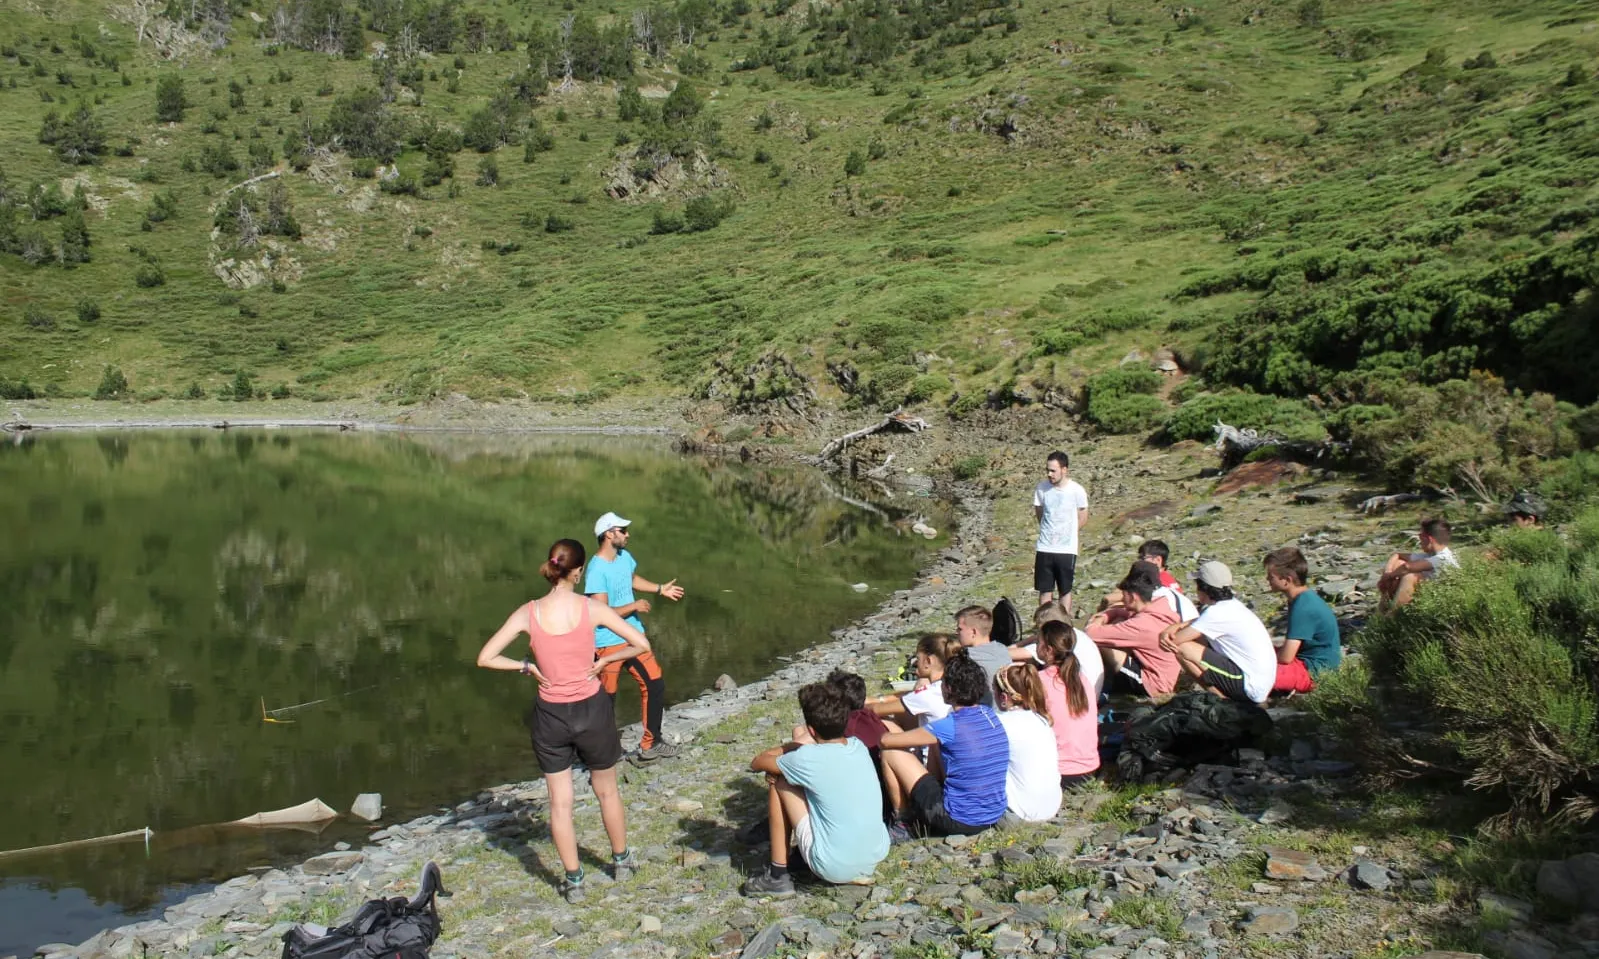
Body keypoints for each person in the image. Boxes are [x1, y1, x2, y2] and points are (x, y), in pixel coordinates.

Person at [475, 538, 651, 904]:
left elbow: (486, 658)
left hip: (550, 716)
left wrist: (526, 666)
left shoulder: (528, 613)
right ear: (578, 571)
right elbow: (641, 644)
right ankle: (620, 861)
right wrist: (603, 662)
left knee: (560, 803)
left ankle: (574, 882)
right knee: (607, 790)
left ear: (552, 569)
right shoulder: (590, 609)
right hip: (591, 709)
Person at [743, 683, 891, 897]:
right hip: (875, 854)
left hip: (834, 866)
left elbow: (758, 763)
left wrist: (792, 746)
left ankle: (777, 875)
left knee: (778, 779)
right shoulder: (857, 746)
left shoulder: (807, 758)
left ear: (811, 730)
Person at [585, 511, 685, 762]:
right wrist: (633, 606)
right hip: (608, 641)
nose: (628, 535)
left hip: (633, 636)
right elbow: (601, 613)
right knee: (605, 698)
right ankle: (600, 752)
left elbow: (631, 579)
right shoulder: (596, 569)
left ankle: (651, 744)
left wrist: (660, 589)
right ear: (609, 534)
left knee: (654, 683)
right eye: (623, 530)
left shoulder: (623, 557)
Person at [878, 656, 1009, 840]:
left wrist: (886, 728)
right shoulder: (989, 714)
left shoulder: (949, 725)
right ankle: (923, 804)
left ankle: (903, 821)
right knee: (937, 745)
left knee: (891, 754)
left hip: (958, 818)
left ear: (948, 688)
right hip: (992, 813)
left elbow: (887, 742)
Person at [1157, 561, 1277, 704]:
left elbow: (1173, 641)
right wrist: (1176, 626)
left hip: (1249, 686)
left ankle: (1223, 702)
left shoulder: (1215, 613)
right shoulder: (1231, 605)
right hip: (1259, 683)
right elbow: (1198, 621)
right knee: (1197, 638)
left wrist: (1166, 632)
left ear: (1204, 588)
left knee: (1183, 648)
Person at [1085, 562, 1183, 698]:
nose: (1121, 598)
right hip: (1163, 672)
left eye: (1123, 595)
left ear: (1132, 597)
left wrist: (1098, 620)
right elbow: (1121, 611)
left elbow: (1091, 634)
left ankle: (1100, 687)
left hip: (1154, 684)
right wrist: (1107, 614)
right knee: (1117, 623)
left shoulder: (1141, 624)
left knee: (1101, 645)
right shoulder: (1158, 608)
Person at [1263, 548, 1342, 695]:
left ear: (1287, 580)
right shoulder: (1303, 598)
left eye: (1271, 576)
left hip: (1316, 671)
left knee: (1252, 671)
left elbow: (1286, 658)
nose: (1268, 580)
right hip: (1311, 663)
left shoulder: (1303, 606)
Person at [1034, 621, 1101, 788]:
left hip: (1059, 772)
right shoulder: (1082, 680)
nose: (1035, 646)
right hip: (1089, 768)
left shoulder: (1039, 681)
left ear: (1048, 650)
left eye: (1037, 642)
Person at [993, 665, 1063, 822]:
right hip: (1052, 804)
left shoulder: (1000, 723)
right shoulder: (1041, 719)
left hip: (1020, 811)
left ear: (1004, 698)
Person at [866, 633, 961, 730]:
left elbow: (875, 710)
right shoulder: (955, 684)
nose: (915, 663)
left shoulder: (928, 693)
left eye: (918, 658)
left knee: (880, 720)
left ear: (928, 661)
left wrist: (860, 704)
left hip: (933, 743)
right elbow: (909, 697)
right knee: (901, 715)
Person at [1033, 450, 1089, 611]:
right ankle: (1044, 624)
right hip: (1045, 547)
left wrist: (1068, 532)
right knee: (1045, 589)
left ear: (1064, 470)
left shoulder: (1076, 490)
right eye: (1048, 470)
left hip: (1066, 549)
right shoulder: (1042, 488)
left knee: (1065, 589)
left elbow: (1083, 517)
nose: (1049, 474)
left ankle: (1064, 623)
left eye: (1053, 470)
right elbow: (1039, 512)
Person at [1013, 602, 1104, 699]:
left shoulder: (1052, 644)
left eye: (1039, 628)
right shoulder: (1075, 635)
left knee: (1020, 666)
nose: (1038, 633)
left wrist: (1020, 643)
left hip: (1079, 697)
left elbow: (1008, 653)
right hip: (1090, 696)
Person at [1377, 518, 1459, 612]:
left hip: (1443, 598)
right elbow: (1397, 555)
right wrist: (1388, 572)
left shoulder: (1444, 558)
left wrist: (1388, 576)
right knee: (1398, 563)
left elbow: (1407, 567)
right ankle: (1382, 613)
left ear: (1429, 539)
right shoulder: (1430, 555)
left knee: (1410, 576)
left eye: (1420, 537)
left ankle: (1393, 616)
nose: (1420, 542)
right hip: (1431, 592)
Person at [955, 605, 1012, 706]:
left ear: (973, 632)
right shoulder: (1001, 648)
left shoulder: (967, 658)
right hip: (1008, 707)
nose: (956, 632)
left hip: (986, 713)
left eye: (960, 629)